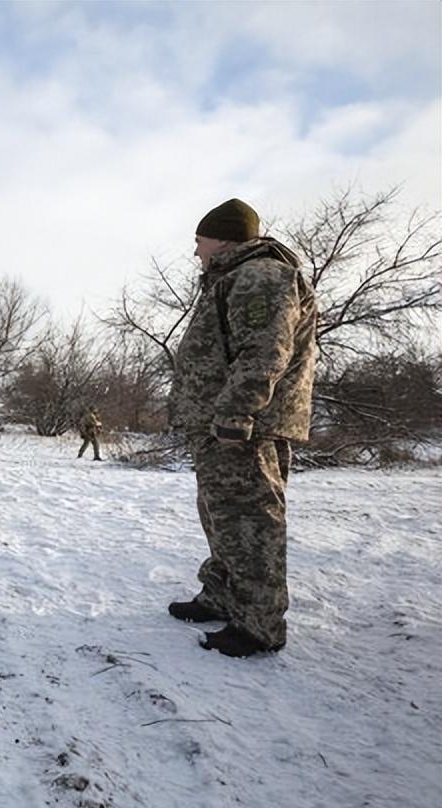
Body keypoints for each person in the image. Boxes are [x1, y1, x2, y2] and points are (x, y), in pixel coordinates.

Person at [168, 198, 317, 658]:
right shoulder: (233, 277)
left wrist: (236, 414)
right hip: (222, 425)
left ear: (223, 238)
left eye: (199, 241)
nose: (196, 252)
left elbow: (264, 352)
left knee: (250, 522)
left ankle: (258, 624)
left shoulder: (260, 276)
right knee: (222, 517)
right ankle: (222, 595)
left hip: (244, 427)